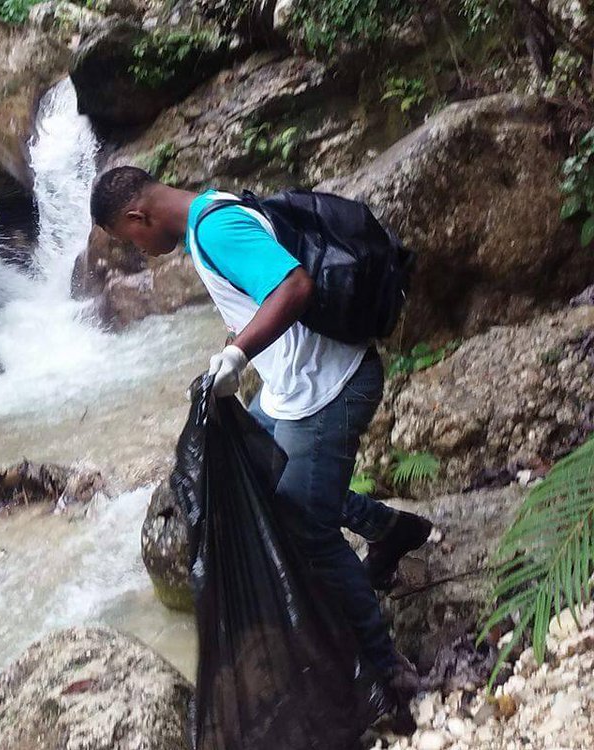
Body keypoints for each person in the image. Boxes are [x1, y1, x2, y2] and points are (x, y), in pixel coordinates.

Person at [89, 166, 432, 720]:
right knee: (265, 473)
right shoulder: (209, 212)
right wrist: (233, 345)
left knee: (308, 528)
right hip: (292, 388)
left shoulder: (215, 231)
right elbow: (257, 298)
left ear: (137, 217)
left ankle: (384, 668)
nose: (143, 251)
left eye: (132, 241)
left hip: (327, 390)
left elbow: (294, 285)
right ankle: (392, 529)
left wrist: (238, 354)